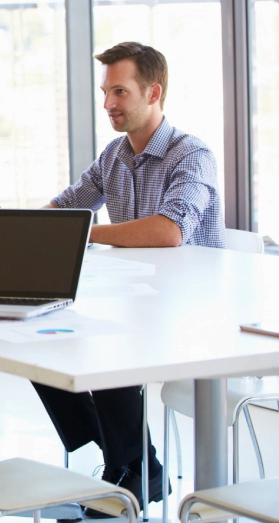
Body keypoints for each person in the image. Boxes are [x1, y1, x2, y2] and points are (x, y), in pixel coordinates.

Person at [34, 42, 225, 518]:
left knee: (100, 344)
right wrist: (21, 228)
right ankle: (135, 463)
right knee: (39, 336)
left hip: (191, 310)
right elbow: (65, 205)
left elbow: (168, 230)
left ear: (153, 92)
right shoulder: (115, 155)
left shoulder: (192, 154)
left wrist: (81, 233)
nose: (108, 104)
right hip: (136, 303)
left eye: (119, 91)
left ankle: (131, 468)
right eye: (106, 92)